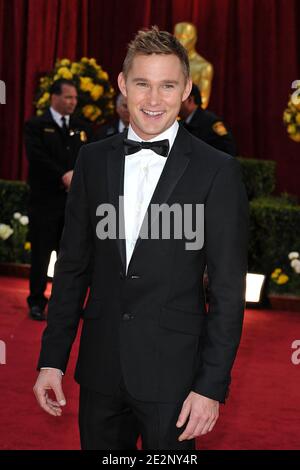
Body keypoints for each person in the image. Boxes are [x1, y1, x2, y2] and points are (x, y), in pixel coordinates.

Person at [33, 27, 249, 450]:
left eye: (168, 86)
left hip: (176, 379)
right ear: (122, 85)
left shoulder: (217, 171)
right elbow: (73, 268)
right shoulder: (92, 161)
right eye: (142, 84)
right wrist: (51, 361)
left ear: (186, 88)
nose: (153, 100)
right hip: (99, 371)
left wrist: (210, 385)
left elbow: (227, 290)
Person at [24, 79, 92, 321]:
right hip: (45, 202)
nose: (73, 102)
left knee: (71, 256)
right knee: (41, 254)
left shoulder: (82, 127)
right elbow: (37, 157)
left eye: (75, 98)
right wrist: (62, 175)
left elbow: (89, 157)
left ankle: (66, 304)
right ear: (54, 97)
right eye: (68, 97)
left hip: (74, 205)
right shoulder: (36, 125)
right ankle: (36, 300)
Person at [180, 83, 237, 156]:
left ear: (190, 100)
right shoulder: (181, 123)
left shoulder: (211, 122)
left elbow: (229, 149)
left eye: (179, 99)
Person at [174, 22, 213, 109]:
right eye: (177, 36)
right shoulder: (165, 62)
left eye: (185, 37)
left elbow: (202, 102)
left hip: (186, 117)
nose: (180, 41)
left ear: (194, 39)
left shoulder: (203, 67)